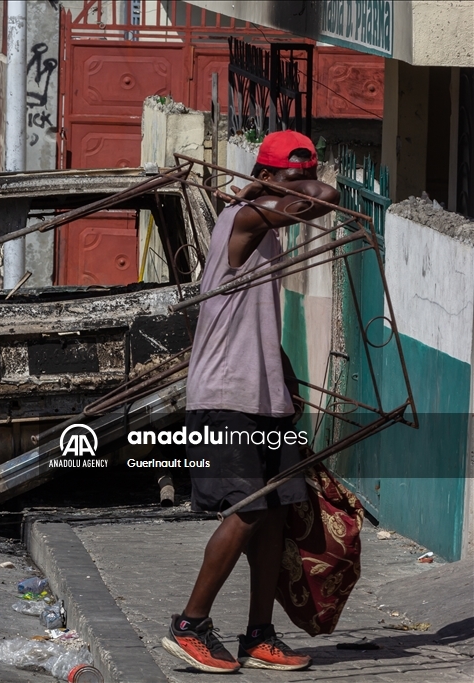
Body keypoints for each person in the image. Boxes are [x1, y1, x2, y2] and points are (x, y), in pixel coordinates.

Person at [161, 130, 339, 673]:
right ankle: (189, 625)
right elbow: (325, 197)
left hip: (264, 396)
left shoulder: (267, 226)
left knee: (277, 511)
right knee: (247, 509)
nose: (299, 190)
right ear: (266, 179)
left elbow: (256, 318)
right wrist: (287, 189)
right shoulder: (242, 221)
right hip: (224, 394)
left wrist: (282, 373)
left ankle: (259, 634)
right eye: (290, 180)